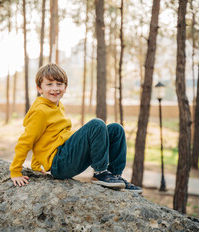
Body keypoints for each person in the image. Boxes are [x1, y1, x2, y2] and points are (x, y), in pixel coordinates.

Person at [9, 63, 142, 193]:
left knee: (115, 129)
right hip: (60, 163)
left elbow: (45, 138)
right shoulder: (40, 112)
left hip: (67, 156)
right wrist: (15, 171)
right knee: (97, 124)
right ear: (39, 88)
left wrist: (36, 167)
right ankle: (100, 172)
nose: (55, 88)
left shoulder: (58, 106)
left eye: (59, 84)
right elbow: (27, 141)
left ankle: (115, 176)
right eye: (49, 84)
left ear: (65, 87)